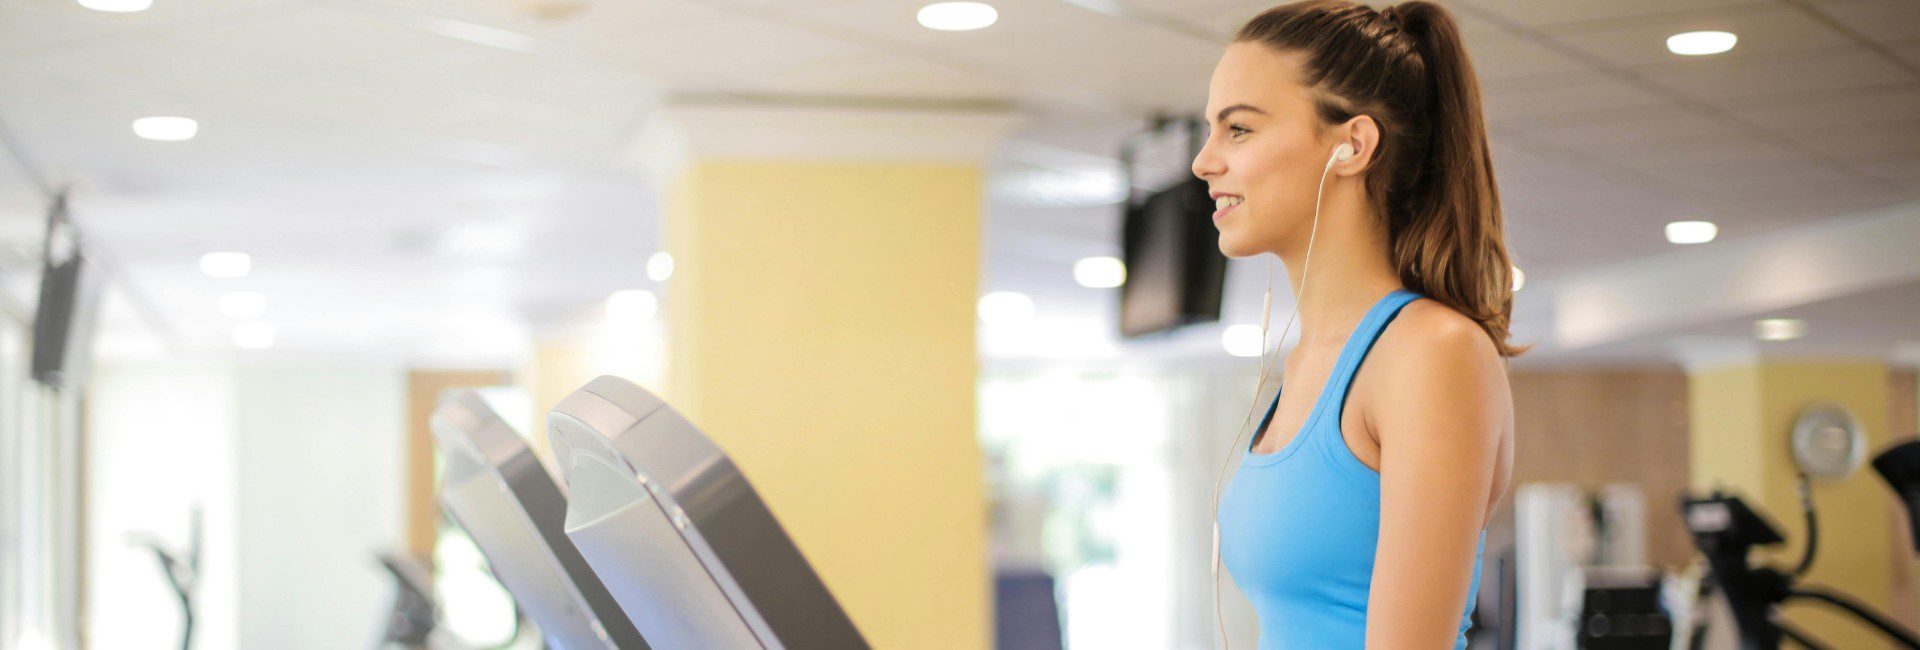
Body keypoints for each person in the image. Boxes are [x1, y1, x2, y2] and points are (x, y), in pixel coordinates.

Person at [1196, 1, 1525, 648]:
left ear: (1352, 145)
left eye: (1238, 129)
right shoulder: (1307, 361)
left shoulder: (1432, 352)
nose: (1203, 162)